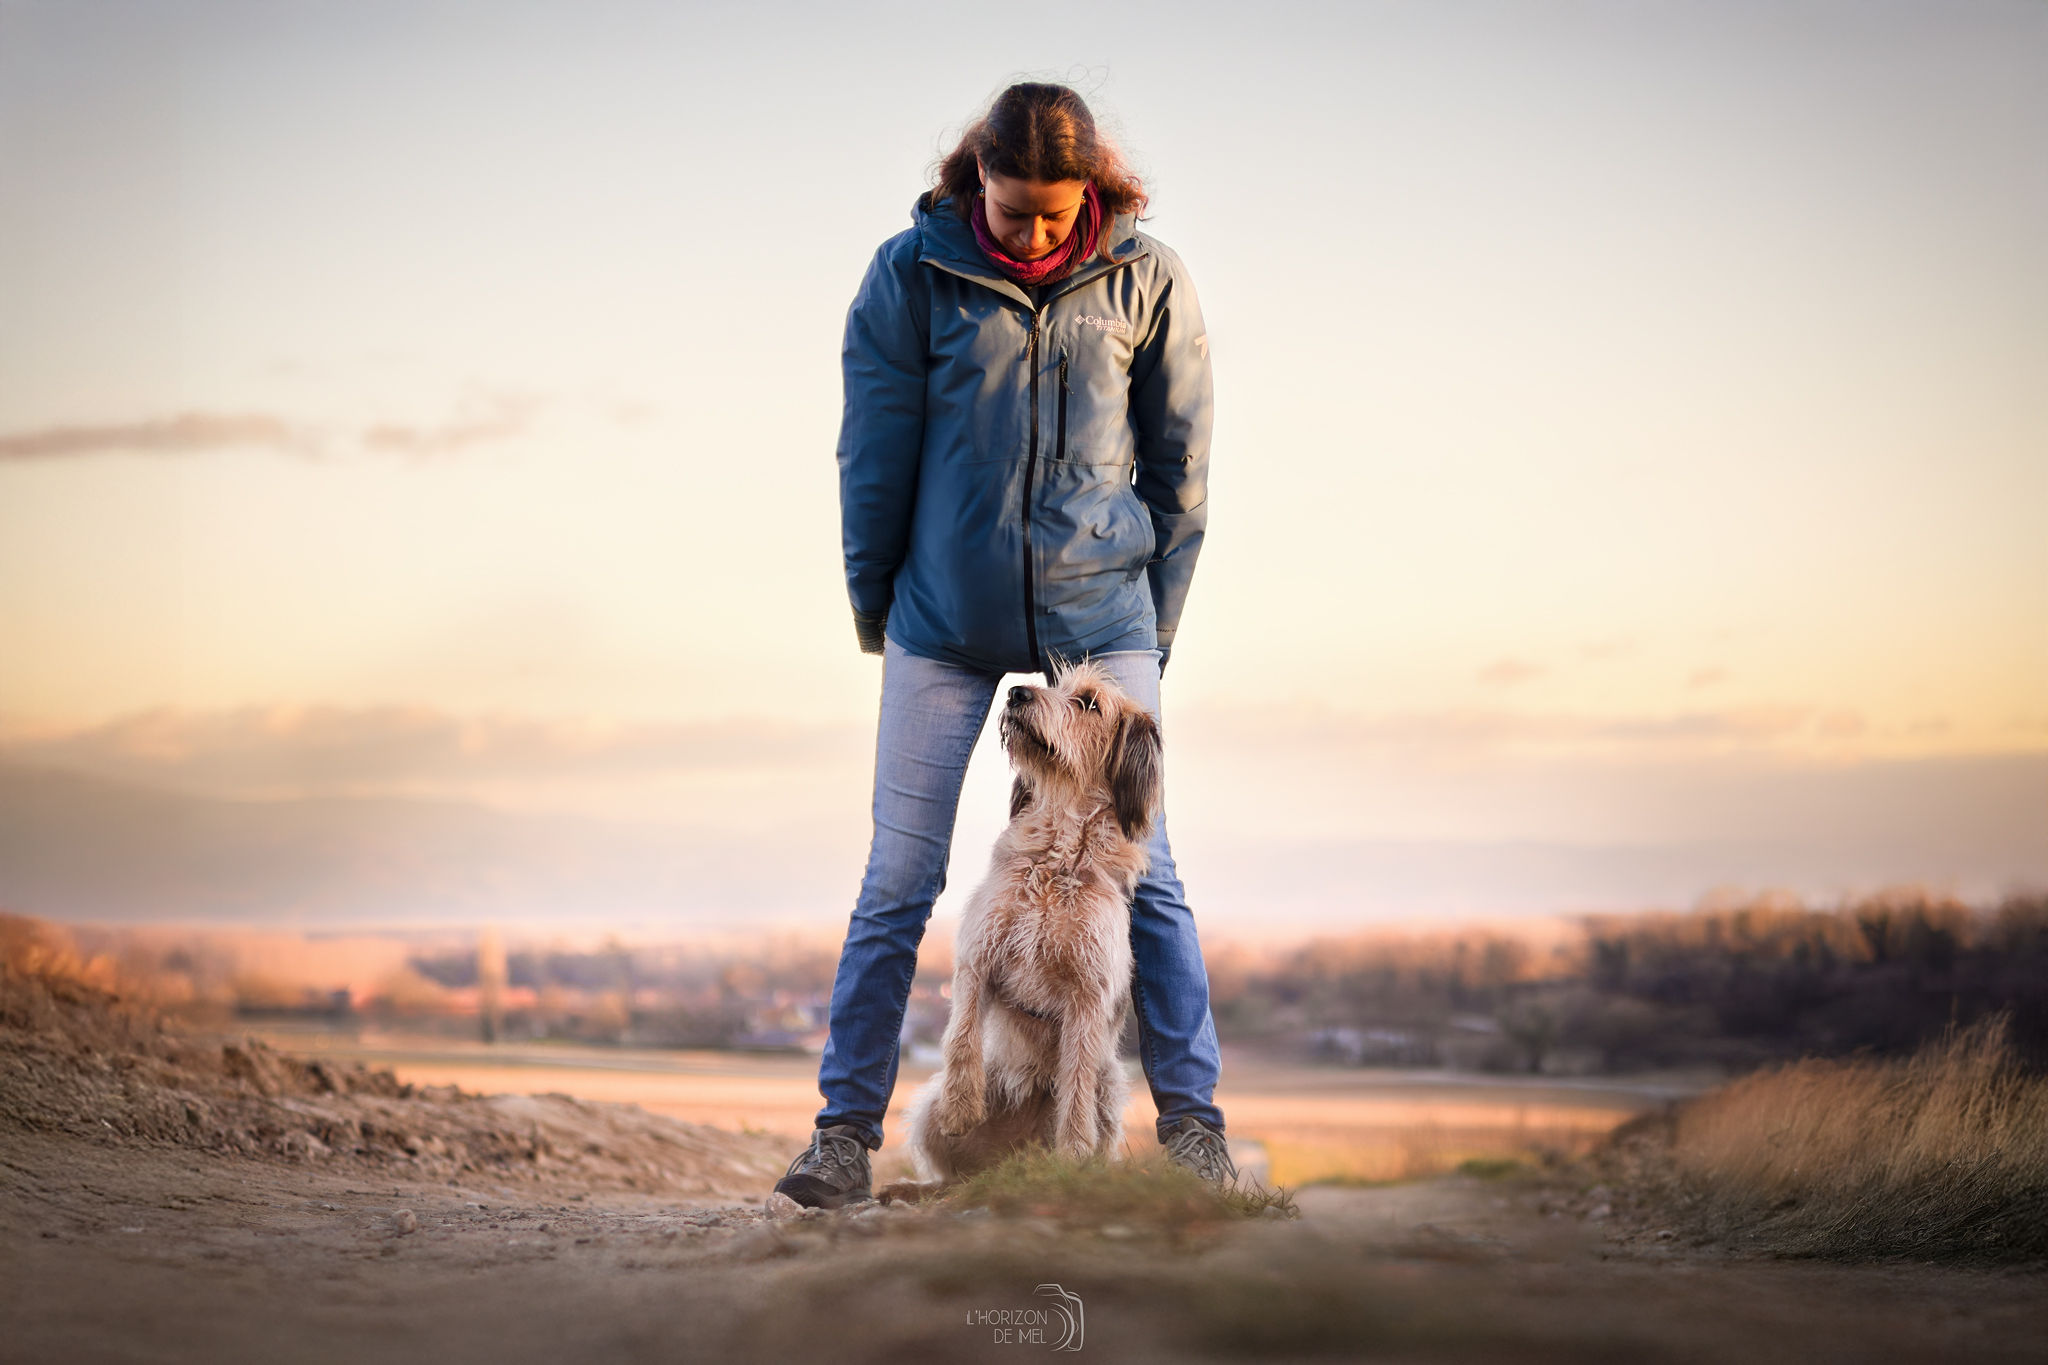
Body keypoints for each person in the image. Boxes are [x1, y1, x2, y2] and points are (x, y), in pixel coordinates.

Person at [774, 81, 1231, 1209]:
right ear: (974, 175)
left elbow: (1180, 470)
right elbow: (872, 451)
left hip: (1103, 623)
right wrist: (879, 606)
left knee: (1151, 879)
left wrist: (1150, 630)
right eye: (1012, 206)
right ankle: (841, 1138)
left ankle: (1194, 1137)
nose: (1031, 230)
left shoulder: (1147, 278)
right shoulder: (909, 272)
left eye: (1052, 210)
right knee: (897, 877)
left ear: (1093, 187)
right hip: (944, 622)